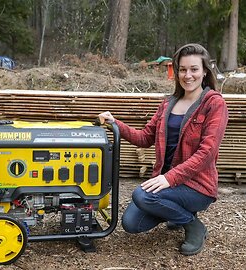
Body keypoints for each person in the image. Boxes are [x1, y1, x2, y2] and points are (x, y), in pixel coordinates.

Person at [98, 43, 228, 256]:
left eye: (194, 69)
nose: (188, 75)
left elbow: (207, 153)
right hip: (167, 183)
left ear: (205, 71)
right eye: (182, 69)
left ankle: (192, 224)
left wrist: (170, 179)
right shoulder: (168, 104)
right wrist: (115, 123)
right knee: (131, 223)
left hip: (196, 186)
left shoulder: (214, 104)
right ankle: (178, 212)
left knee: (143, 196)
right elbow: (145, 137)